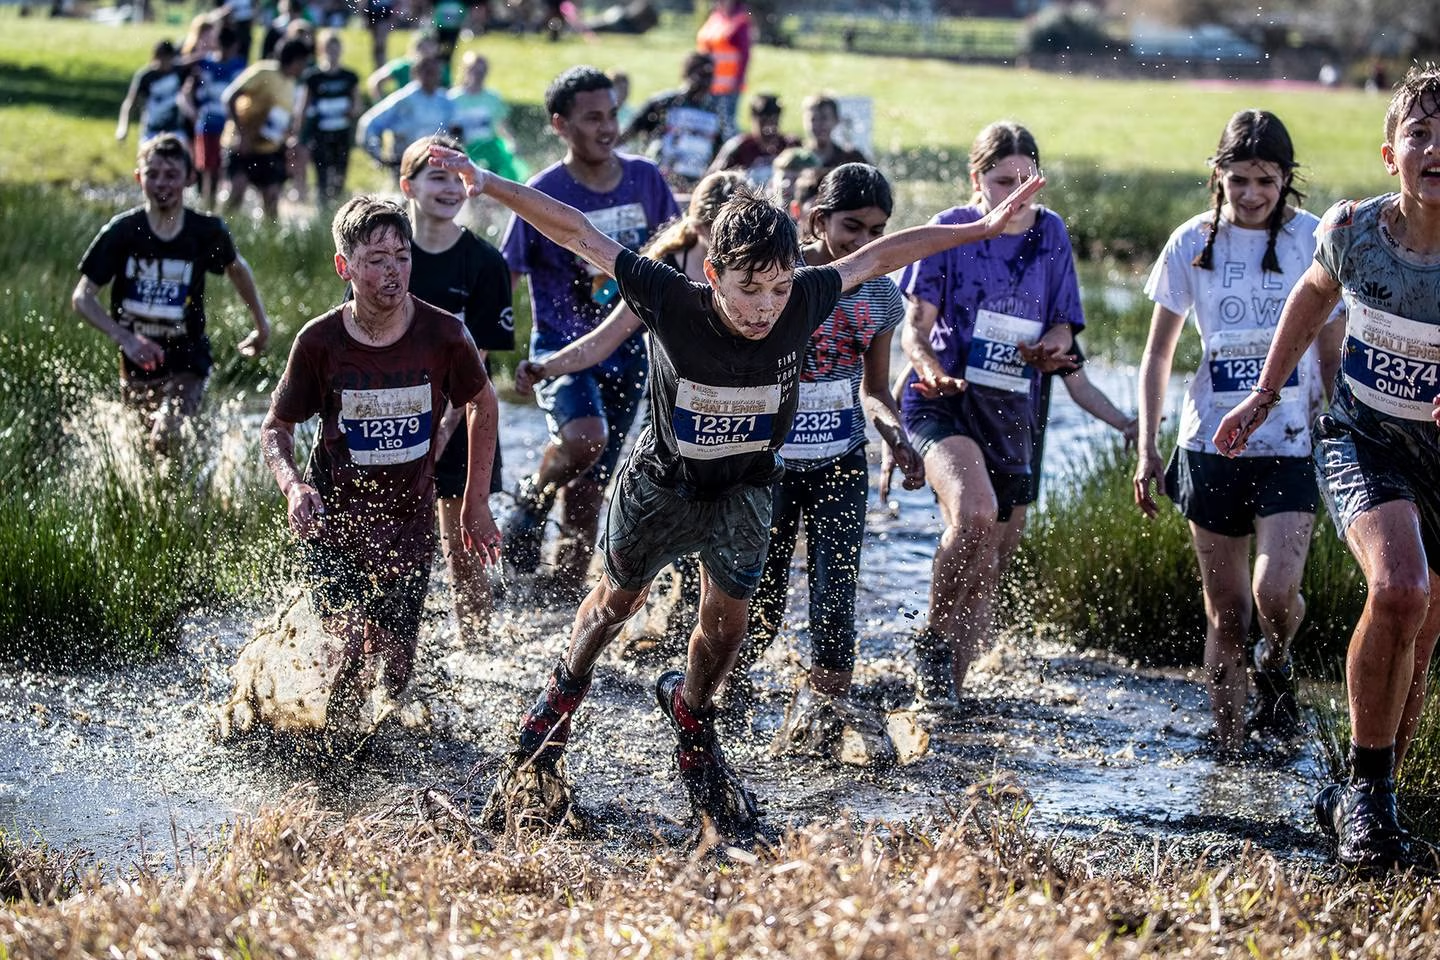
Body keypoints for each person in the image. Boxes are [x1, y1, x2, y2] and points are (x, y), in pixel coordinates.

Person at [425, 142, 1043, 840]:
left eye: (778, 289)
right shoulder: (669, 297)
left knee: (728, 625)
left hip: (746, 490)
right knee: (613, 609)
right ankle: (562, 694)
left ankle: (691, 717)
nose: (764, 308)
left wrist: (981, 229)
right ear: (714, 274)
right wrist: (486, 183)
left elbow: (883, 255)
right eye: (749, 290)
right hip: (661, 488)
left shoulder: (803, 299)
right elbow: (575, 230)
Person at [1213, 68, 1440, 872]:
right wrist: (1264, 394)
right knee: (1399, 588)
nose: (1435, 148)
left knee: (1419, 630)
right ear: (1391, 154)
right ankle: (1370, 807)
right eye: (1420, 134)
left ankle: (1363, 792)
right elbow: (1311, 299)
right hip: (1363, 442)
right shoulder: (1354, 231)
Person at [1134, 110, 1340, 758]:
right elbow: (1157, 357)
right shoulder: (1190, 243)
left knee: (1274, 594)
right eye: (1239, 180)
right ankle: (1227, 754)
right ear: (1217, 177)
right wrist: (1146, 447)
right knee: (1226, 613)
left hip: (1290, 447)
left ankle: (1276, 661)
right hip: (1208, 449)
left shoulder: (1314, 238)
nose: (1252, 195)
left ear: (1286, 180)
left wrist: (1339, 433)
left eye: (1266, 181)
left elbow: (1332, 355)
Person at [260, 195, 501, 717]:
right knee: (345, 660)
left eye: (402, 256)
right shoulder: (319, 342)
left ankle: (384, 766)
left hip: (407, 526)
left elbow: (482, 402)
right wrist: (293, 486)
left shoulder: (443, 334)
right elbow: (275, 428)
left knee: (393, 678)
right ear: (345, 267)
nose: (394, 271)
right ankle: (329, 772)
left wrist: (475, 502)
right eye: (377, 260)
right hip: (334, 523)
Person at [739, 164, 924, 763]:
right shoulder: (781, 283)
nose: (865, 243)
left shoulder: (880, 297)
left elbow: (875, 390)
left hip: (841, 463)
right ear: (816, 221)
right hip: (769, 467)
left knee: (835, 596)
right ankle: (718, 705)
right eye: (852, 227)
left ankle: (819, 735)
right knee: (759, 602)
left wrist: (896, 437)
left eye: (878, 230)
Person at [897, 121, 1080, 706]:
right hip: (943, 399)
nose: (1017, 194)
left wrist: (1052, 346)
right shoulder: (951, 230)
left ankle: (953, 693)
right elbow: (913, 331)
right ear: (976, 179)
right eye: (1004, 182)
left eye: (1029, 181)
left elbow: (1063, 323)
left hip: (1013, 408)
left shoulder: (1051, 233)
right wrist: (927, 366)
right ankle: (931, 639)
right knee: (976, 515)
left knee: (993, 555)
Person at [499, 66, 680, 594]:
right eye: (592, 118)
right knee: (584, 440)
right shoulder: (543, 192)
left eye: (613, 115)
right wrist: (481, 347)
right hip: (560, 345)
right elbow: (507, 274)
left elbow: (675, 256)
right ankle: (531, 501)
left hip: (629, 349)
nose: (607, 128)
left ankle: (562, 595)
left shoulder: (646, 178)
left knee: (594, 481)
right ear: (561, 125)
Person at [71, 135, 270, 454]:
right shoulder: (122, 232)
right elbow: (82, 297)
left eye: (171, 175)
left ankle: (196, 482)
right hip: (137, 356)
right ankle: (179, 485)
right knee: (142, 450)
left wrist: (262, 326)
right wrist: (126, 338)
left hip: (188, 355)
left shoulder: (206, 231)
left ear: (190, 177)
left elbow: (237, 269)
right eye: (152, 174)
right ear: (139, 178)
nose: (161, 183)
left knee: (167, 433)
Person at [397, 135, 515, 645]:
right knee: (392, 545)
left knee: (462, 542)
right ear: (409, 186)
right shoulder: (385, 254)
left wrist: (444, 424)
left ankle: (477, 653)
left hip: (462, 416)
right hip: (390, 413)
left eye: (456, 177)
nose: (448, 188)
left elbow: (480, 362)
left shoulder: (485, 263)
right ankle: (393, 647)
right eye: (436, 176)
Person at [221, 38, 310, 218]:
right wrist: (242, 135)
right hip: (241, 144)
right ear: (296, 60)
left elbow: (281, 120)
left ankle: (269, 242)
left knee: (272, 199)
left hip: (268, 149)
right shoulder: (264, 71)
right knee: (237, 191)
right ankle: (219, 234)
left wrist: (290, 139)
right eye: (303, 62)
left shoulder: (292, 83)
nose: (304, 67)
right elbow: (230, 97)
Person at [620, 51, 724, 193]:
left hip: (695, 186)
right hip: (660, 181)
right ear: (687, 74)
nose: (705, 82)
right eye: (701, 75)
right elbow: (628, 133)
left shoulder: (715, 113)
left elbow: (720, 152)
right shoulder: (664, 103)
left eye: (710, 77)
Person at [182, 20, 246, 209]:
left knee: (223, 170)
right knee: (210, 171)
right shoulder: (204, 63)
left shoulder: (238, 66)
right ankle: (208, 209)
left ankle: (220, 210)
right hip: (209, 125)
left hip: (228, 126)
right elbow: (180, 68)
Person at [357, 54, 455, 176]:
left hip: (436, 163)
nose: (432, 76)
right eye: (428, 72)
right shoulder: (405, 99)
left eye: (435, 72)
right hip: (405, 162)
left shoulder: (445, 100)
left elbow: (456, 128)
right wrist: (377, 154)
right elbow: (369, 123)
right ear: (416, 73)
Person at [295, 29, 361, 207]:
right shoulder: (313, 77)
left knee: (340, 172)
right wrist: (299, 134)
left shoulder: (349, 76)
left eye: (336, 48)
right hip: (320, 133)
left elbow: (357, 105)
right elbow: (303, 106)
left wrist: (350, 111)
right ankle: (321, 209)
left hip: (342, 132)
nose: (333, 53)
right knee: (321, 174)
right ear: (322, 50)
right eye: (329, 49)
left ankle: (338, 206)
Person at [449, 51, 528, 183]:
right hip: (465, 148)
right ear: (465, 71)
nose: (479, 75)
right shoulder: (453, 98)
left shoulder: (493, 97)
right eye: (475, 71)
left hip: (489, 147)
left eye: (482, 71)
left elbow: (502, 125)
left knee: (508, 170)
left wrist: (512, 142)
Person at [708, 93, 799, 188]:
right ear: (752, 120)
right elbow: (711, 180)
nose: (768, 128)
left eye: (774, 122)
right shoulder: (739, 147)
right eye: (763, 122)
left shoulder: (790, 146)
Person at [695, 0, 750, 138]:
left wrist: (738, 80)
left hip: (727, 85)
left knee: (727, 124)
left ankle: (734, 153)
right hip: (707, 83)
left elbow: (744, 54)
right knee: (708, 122)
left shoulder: (739, 21)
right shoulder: (715, 17)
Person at [117, 40, 188, 145]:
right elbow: (130, 103)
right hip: (151, 130)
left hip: (175, 130)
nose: (163, 63)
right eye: (160, 58)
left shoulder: (179, 71)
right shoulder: (146, 76)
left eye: (167, 59)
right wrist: (123, 128)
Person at [800, 95, 867, 172]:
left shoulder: (850, 159)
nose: (819, 124)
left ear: (836, 120)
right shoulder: (795, 157)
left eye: (824, 118)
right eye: (813, 119)